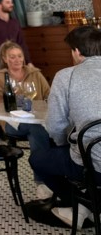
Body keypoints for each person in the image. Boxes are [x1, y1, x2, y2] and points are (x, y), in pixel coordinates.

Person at [29, 25, 101, 229]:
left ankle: (82, 204)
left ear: (76, 51)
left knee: (38, 159)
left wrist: (63, 144)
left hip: (94, 164)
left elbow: (55, 126)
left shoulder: (66, 76)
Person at [0, 40, 52, 199]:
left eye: (19, 56)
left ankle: (61, 177)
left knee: (48, 130)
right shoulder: (0, 78)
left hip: (37, 118)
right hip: (12, 122)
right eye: (12, 57)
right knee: (37, 130)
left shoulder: (35, 74)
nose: (16, 60)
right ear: (5, 59)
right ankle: (42, 182)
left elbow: (49, 95)